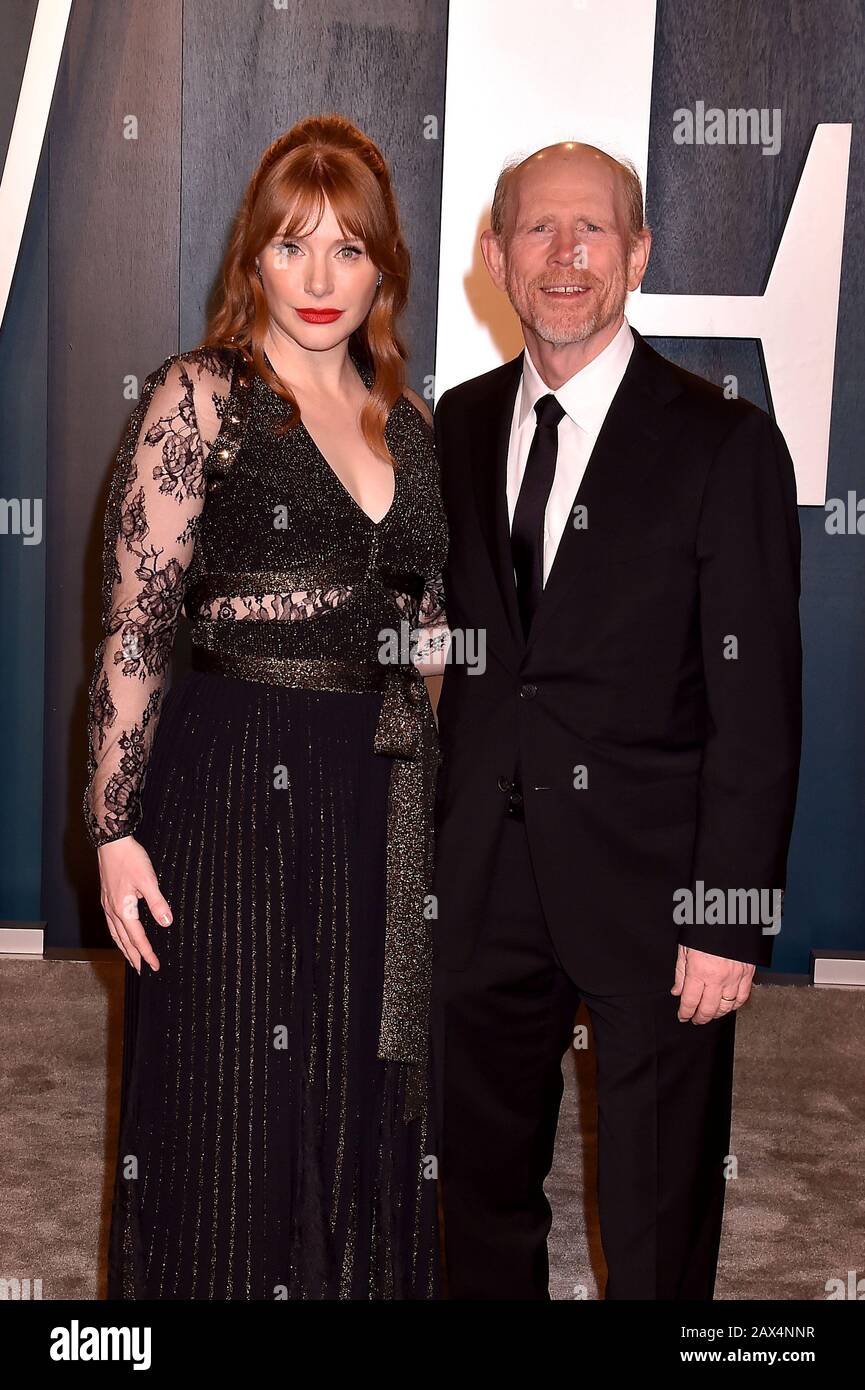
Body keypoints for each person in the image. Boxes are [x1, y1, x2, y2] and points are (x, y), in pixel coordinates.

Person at [83, 114, 449, 1300]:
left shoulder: (414, 421)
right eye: (293, 247)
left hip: (374, 789)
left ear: (382, 268)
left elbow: (429, 626)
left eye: (348, 250)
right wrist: (112, 825)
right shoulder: (202, 398)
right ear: (252, 260)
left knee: (356, 1084)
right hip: (231, 778)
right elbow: (137, 623)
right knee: (229, 1093)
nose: (319, 279)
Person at [430, 141, 802, 1299]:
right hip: (482, 881)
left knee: (655, 1218)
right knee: (475, 1201)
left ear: (637, 253)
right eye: (537, 230)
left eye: (592, 230)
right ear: (493, 256)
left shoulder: (720, 438)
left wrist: (729, 917)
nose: (565, 255)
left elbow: (758, 701)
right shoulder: (455, 423)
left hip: (658, 899)